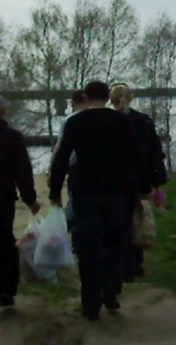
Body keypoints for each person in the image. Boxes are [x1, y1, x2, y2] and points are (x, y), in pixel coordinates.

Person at [48, 81, 144, 320]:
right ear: (107, 96)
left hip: (85, 192)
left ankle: (90, 303)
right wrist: (142, 188)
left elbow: (62, 157)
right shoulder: (121, 121)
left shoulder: (76, 122)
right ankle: (111, 291)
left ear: (87, 96)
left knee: (87, 246)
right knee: (114, 242)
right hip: (117, 192)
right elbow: (134, 154)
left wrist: (54, 191)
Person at [110, 83, 167, 282]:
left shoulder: (108, 122)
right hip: (138, 182)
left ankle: (118, 263)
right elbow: (155, 153)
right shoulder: (143, 121)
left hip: (113, 182)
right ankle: (135, 265)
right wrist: (158, 182)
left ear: (111, 99)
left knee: (116, 223)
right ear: (131, 98)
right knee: (137, 221)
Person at [0, 96, 42, 307]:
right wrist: (31, 199)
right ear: (3, 112)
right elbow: (23, 172)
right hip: (3, 198)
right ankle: (6, 288)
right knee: (5, 241)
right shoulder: (13, 138)